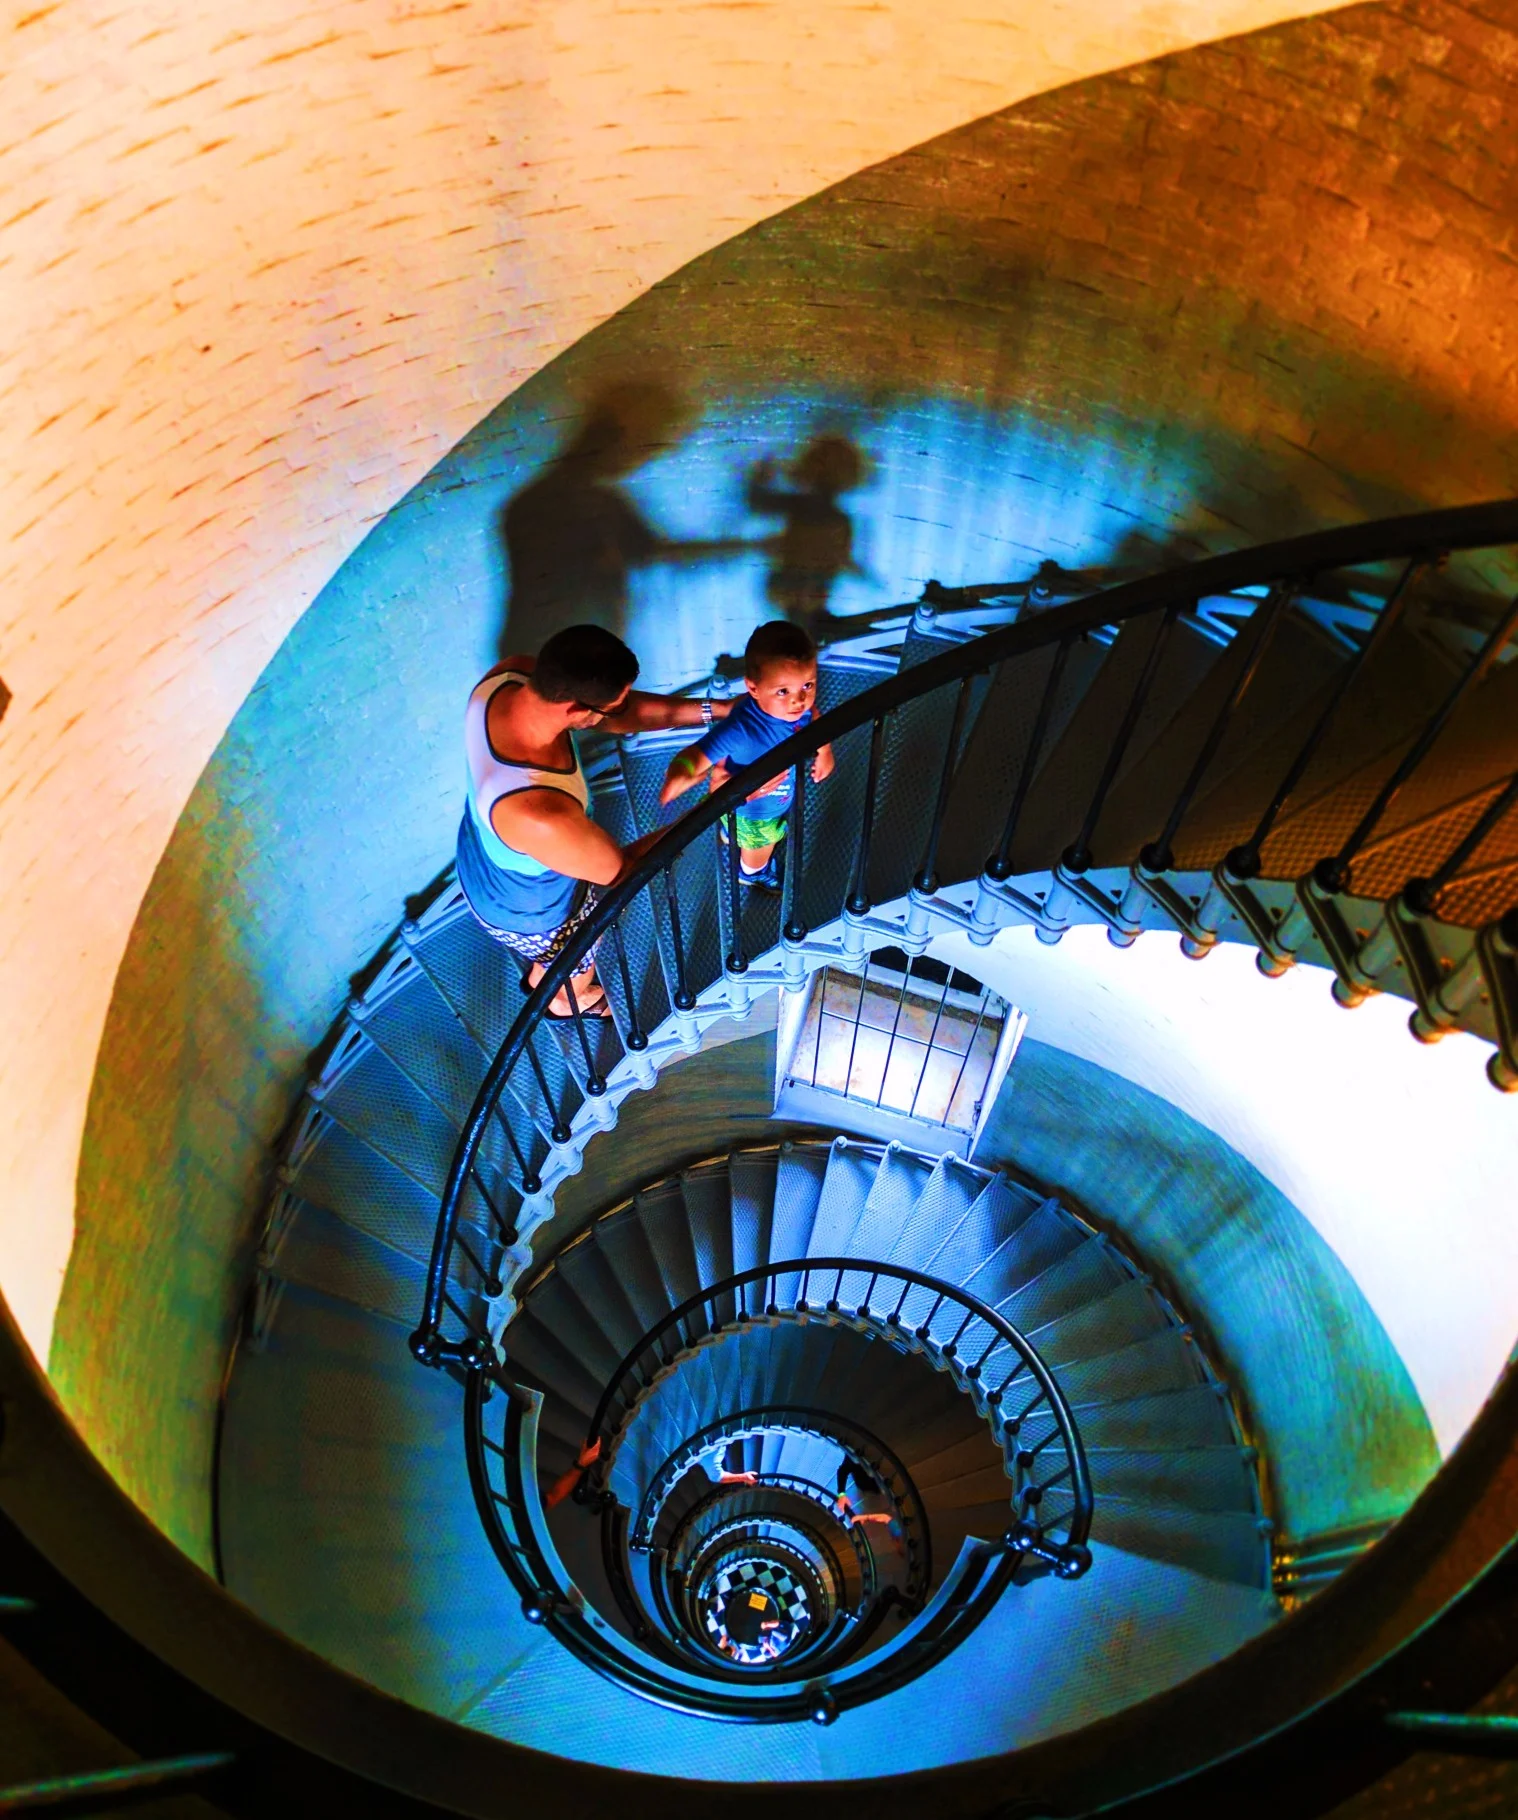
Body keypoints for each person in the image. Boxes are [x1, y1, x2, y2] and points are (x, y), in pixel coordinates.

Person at [458, 624, 725, 1016]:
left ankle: (545, 977)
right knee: (575, 950)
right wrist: (716, 802)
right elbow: (625, 872)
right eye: (613, 705)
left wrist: (718, 710)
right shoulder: (540, 812)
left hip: (480, 854)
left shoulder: (510, 678)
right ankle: (565, 1001)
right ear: (574, 710)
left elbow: (618, 713)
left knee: (560, 952)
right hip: (531, 912)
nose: (623, 708)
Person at [657, 620, 835, 891]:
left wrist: (825, 751)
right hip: (755, 815)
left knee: (755, 831)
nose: (798, 701)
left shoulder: (795, 711)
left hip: (774, 800)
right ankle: (752, 873)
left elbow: (814, 717)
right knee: (760, 848)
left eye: (808, 685)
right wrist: (680, 774)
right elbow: (695, 755)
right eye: (783, 691)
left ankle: (731, 833)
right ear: (753, 688)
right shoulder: (742, 728)